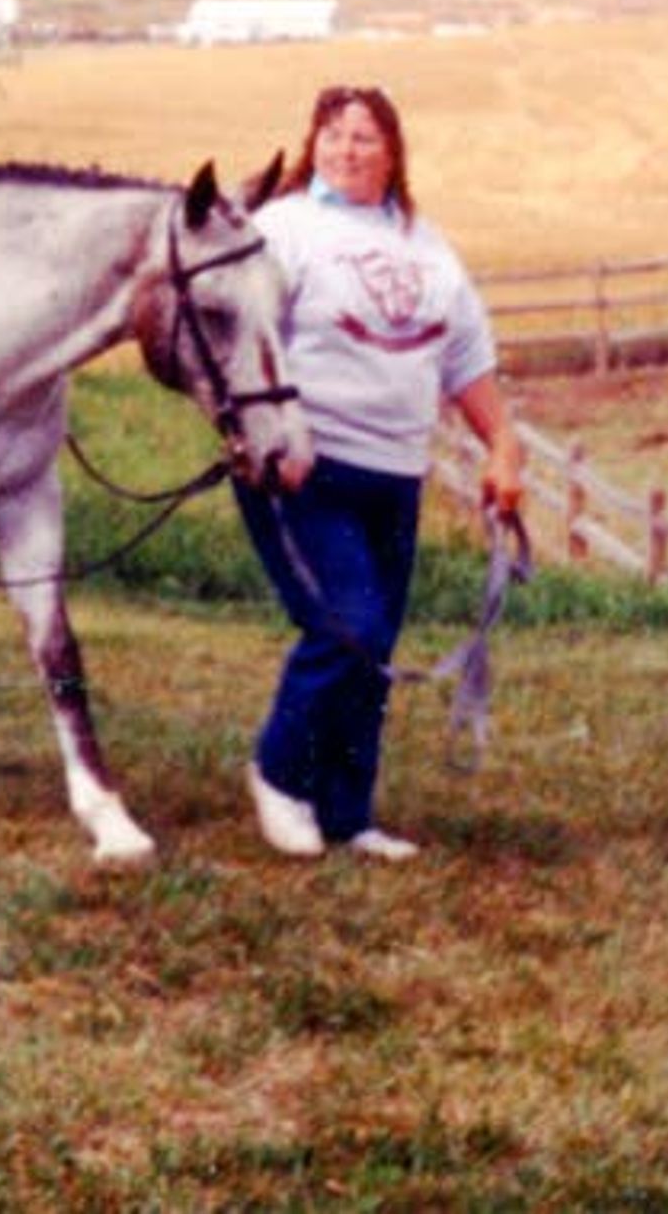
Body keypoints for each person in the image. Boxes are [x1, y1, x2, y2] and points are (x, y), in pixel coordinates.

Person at [240, 82, 522, 862]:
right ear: (312, 145)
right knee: (348, 625)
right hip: (305, 467)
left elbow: (466, 358)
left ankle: (349, 814)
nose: (347, 148)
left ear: (393, 150)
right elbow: (237, 341)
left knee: (376, 648)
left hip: (396, 473)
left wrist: (503, 447)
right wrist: (262, 443)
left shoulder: (427, 245)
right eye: (332, 133)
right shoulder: (280, 230)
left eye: (364, 136)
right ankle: (277, 773)